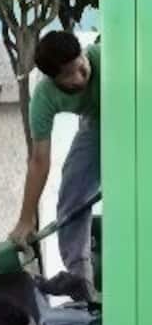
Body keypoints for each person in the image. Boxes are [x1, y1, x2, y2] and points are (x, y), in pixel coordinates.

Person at [14, 30, 101, 296]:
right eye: (67, 75)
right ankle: (80, 286)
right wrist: (26, 219)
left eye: (80, 68)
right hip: (96, 124)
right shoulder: (44, 97)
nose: (78, 79)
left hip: (138, 111)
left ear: (84, 55)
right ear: (53, 78)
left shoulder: (107, 58)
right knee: (73, 195)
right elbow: (39, 160)